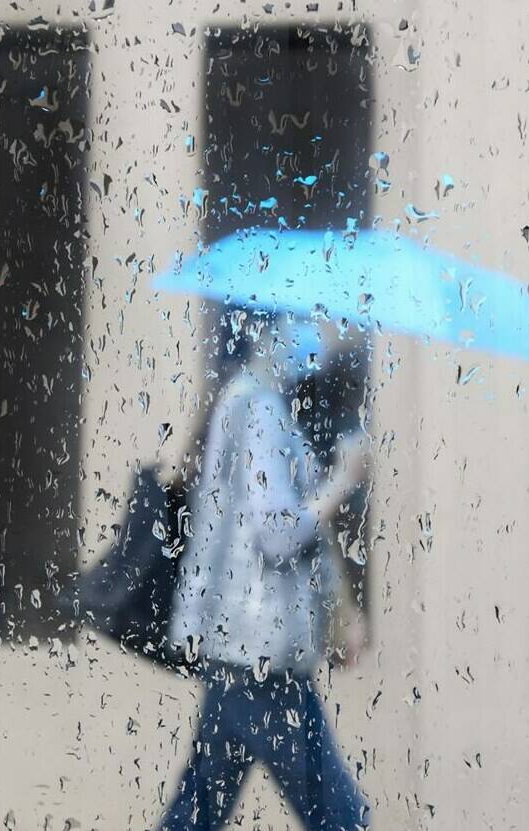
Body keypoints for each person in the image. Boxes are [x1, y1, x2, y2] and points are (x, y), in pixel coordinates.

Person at [160, 311, 371, 831]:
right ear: (269, 331)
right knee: (340, 818)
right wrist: (342, 482)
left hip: (244, 648)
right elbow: (278, 535)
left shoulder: (252, 402)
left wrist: (338, 612)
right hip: (261, 654)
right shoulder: (259, 409)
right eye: (306, 327)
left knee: (194, 815)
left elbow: (295, 540)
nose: (316, 342)